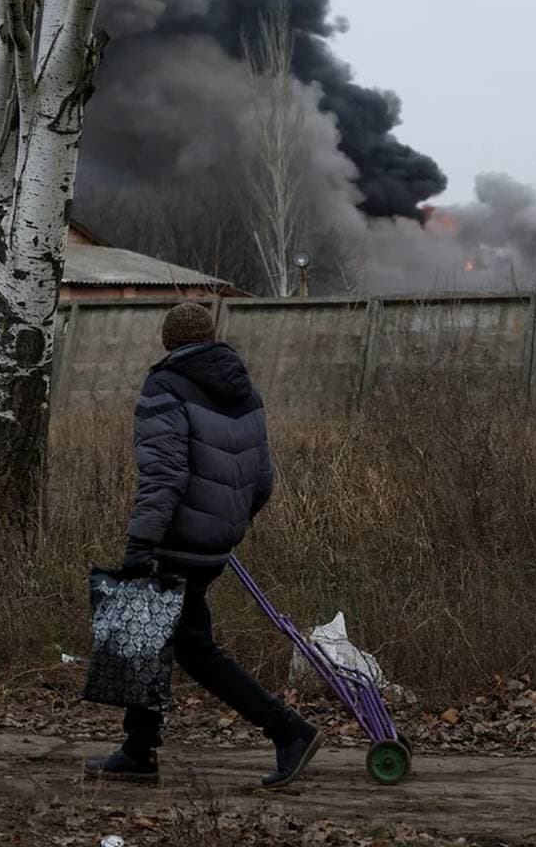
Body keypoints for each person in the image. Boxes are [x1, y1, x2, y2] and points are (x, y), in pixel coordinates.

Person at [86, 302, 321, 788]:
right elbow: (262, 481)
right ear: (211, 338)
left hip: (176, 538)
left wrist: (140, 544)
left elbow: (163, 475)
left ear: (168, 342)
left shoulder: (165, 386)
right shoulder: (245, 391)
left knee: (190, 648)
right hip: (217, 540)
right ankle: (137, 750)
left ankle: (288, 730)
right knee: (156, 637)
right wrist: (226, 525)